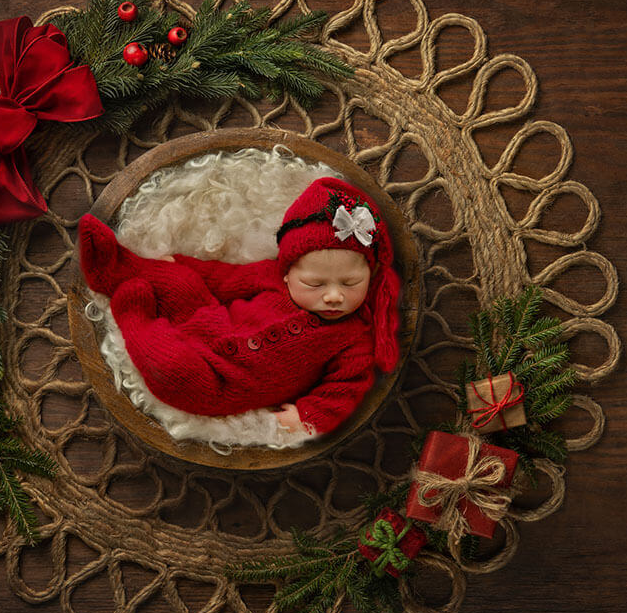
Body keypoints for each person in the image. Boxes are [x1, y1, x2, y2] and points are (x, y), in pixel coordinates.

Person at [78, 176, 401, 437]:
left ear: (370, 277)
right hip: (208, 319)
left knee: (171, 368)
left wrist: (308, 414)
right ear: (288, 274)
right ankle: (117, 268)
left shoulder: (354, 337)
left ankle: (135, 317)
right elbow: (223, 278)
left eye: (350, 284)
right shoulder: (270, 276)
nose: (334, 296)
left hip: (217, 384)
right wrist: (180, 264)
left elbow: (345, 387)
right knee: (182, 283)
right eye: (315, 284)